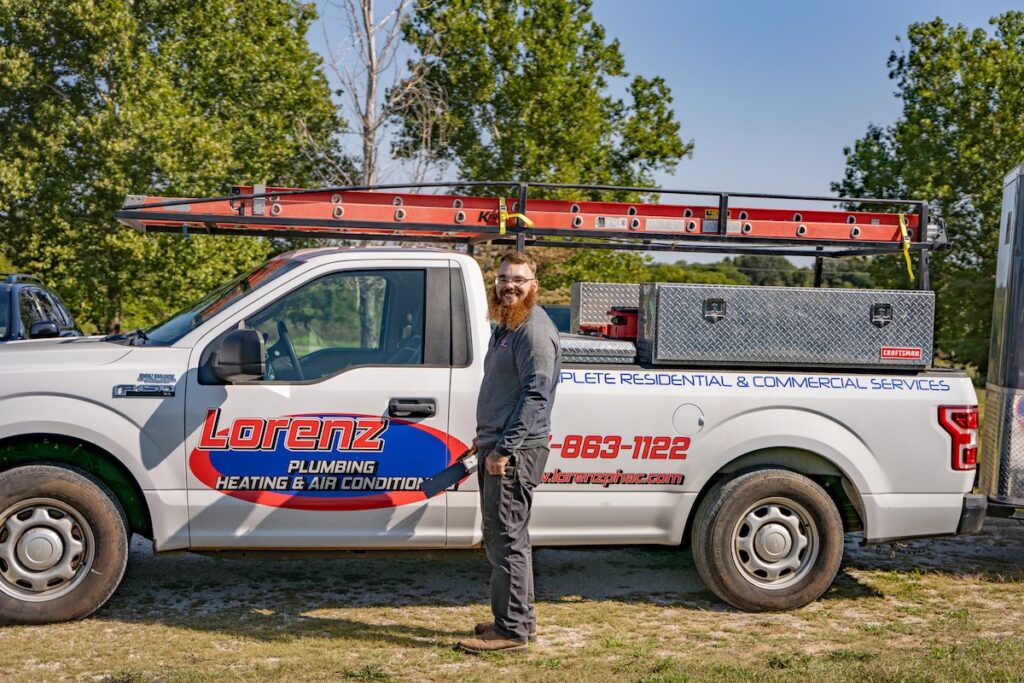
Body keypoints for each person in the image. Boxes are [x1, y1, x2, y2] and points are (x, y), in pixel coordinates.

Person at [455, 250, 561, 655]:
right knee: (507, 537)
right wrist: (485, 440)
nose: (509, 285)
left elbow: (536, 395)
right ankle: (518, 620)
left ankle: (511, 631)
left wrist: (503, 448)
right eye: (503, 278)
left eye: (518, 278)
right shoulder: (508, 325)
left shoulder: (532, 331)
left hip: (514, 454)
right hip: (498, 446)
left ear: (534, 284)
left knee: (506, 539)